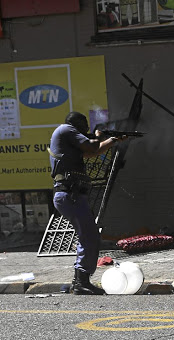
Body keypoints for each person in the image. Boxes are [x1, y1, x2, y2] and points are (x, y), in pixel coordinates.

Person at [48, 112, 126, 295]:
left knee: (88, 235)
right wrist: (102, 136)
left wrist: (112, 140)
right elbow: (92, 146)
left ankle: (81, 281)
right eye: (84, 125)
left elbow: (93, 152)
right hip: (70, 194)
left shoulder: (69, 139)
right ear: (75, 124)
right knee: (89, 236)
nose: (86, 129)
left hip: (72, 195)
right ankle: (81, 281)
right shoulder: (66, 129)